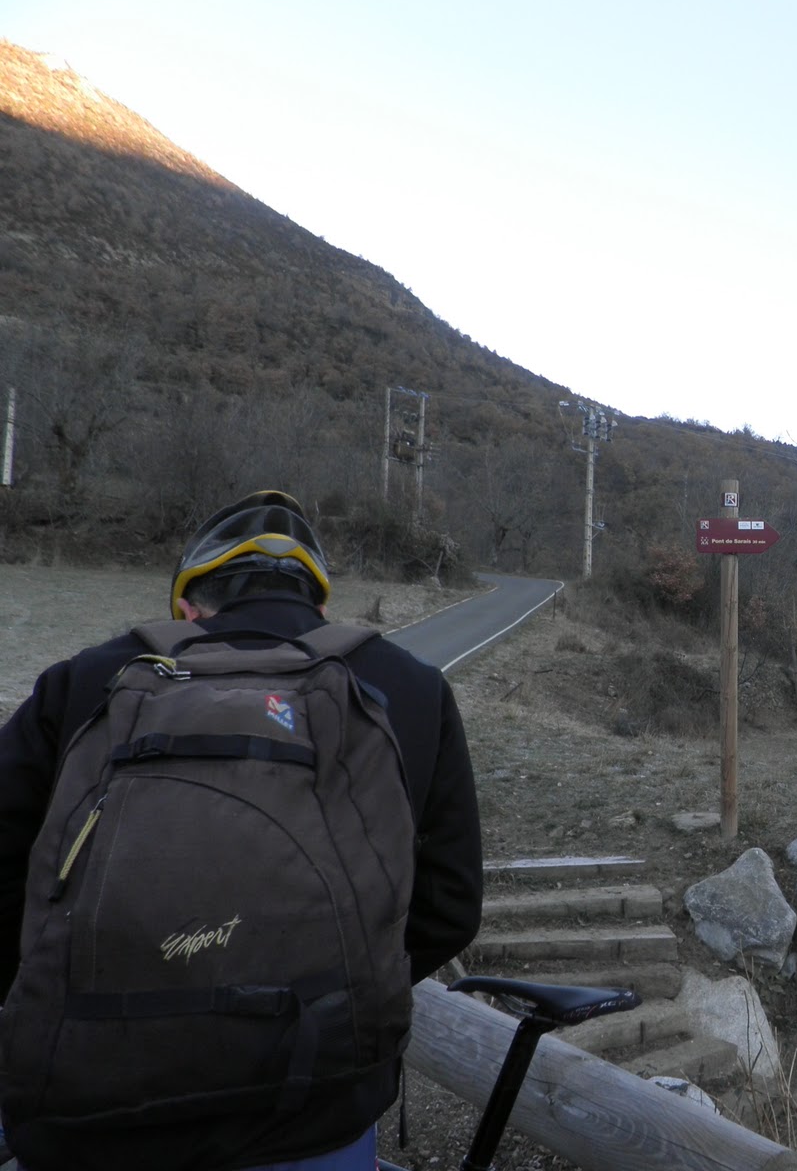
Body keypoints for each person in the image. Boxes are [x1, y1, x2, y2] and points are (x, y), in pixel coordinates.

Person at [0, 490, 483, 1171]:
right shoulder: (412, 690)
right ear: (318, 605)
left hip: (93, 1111)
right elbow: (452, 906)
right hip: (317, 1110)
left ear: (189, 605)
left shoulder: (85, 682)